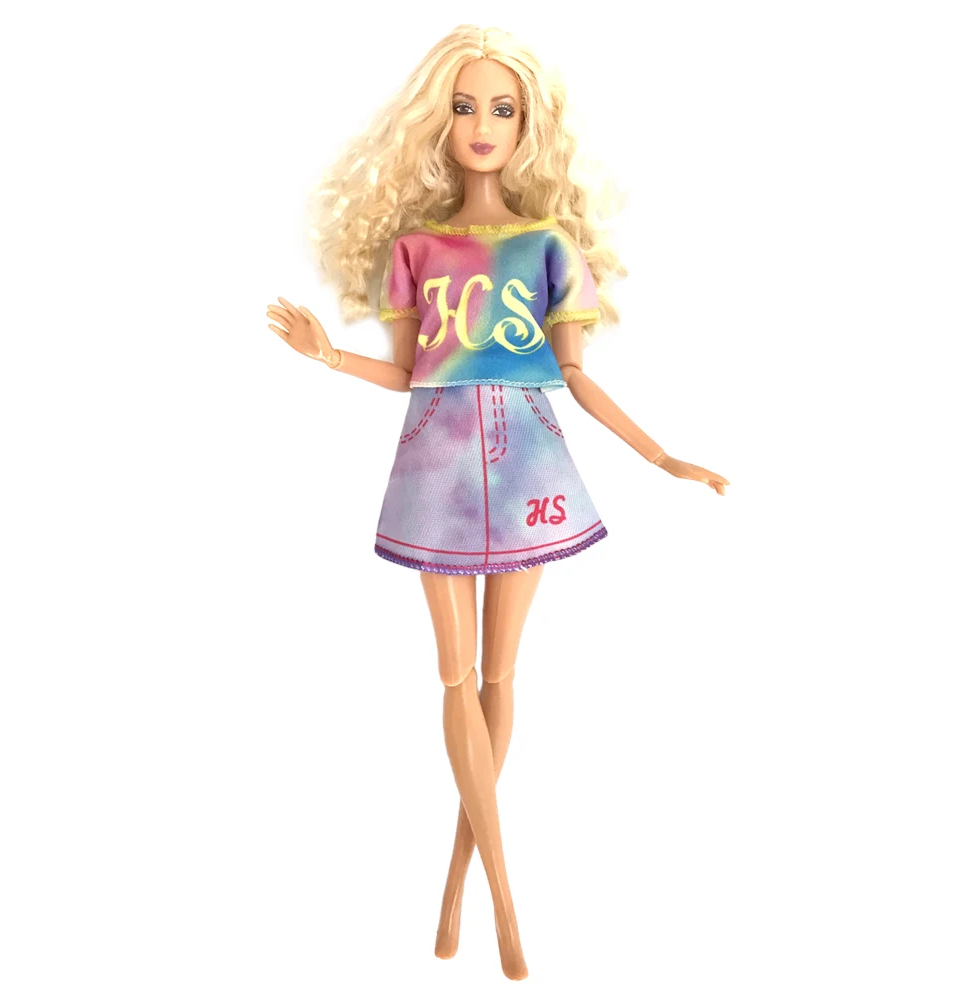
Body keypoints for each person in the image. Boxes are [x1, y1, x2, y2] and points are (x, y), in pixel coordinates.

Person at [265, 24, 728, 981]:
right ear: (438, 122)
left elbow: (577, 376)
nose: (482, 125)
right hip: (434, 468)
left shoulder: (548, 246)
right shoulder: (417, 248)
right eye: (465, 106)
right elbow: (407, 374)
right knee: (453, 676)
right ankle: (500, 902)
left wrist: (663, 456)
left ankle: (461, 893)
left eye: (502, 109)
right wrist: (325, 355)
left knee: (500, 678)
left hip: (528, 467)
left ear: (528, 127)